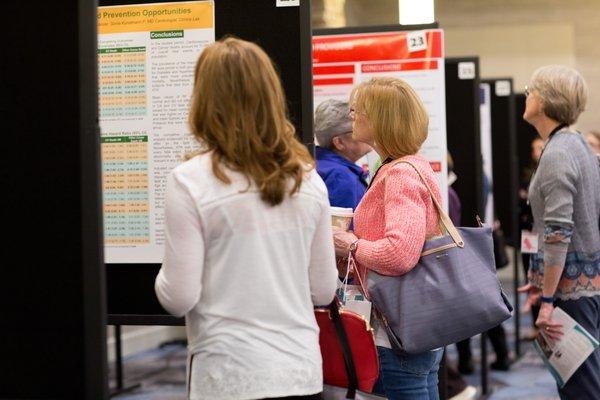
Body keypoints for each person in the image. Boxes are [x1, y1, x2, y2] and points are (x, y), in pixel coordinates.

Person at [154, 37, 338, 400]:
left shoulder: (190, 180)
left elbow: (179, 297)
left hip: (228, 376)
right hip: (300, 372)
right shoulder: (308, 178)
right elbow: (322, 290)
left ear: (204, 102)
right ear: (272, 97)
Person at [333, 77, 444, 399]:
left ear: (381, 118)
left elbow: (399, 254)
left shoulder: (399, 173)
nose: (352, 115)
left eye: (359, 110)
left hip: (396, 330)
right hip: (413, 321)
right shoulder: (409, 166)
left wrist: (348, 244)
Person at [519, 65, 600, 399]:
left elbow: (558, 232)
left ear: (547, 100)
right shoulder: (575, 145)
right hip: (581, 287)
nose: (527, 94)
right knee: (581, 383)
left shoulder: (559, 152)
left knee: (580, 389)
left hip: (569, 295)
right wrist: (540, 279)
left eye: (532, 89)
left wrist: (548, 298)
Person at [314, 99, 372, 210]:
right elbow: (346, 226)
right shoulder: (342, 178)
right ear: (339, 142)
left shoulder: (316, 165)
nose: (368, 132)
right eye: (357, 129)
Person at [519, 137, 544, 340]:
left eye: (539, 147)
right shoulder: (528, 173)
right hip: (528, 232)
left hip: (543, 232)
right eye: (533, 148)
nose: (535, 151)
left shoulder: (549, 171)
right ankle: (536, 323)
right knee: (530, 273)